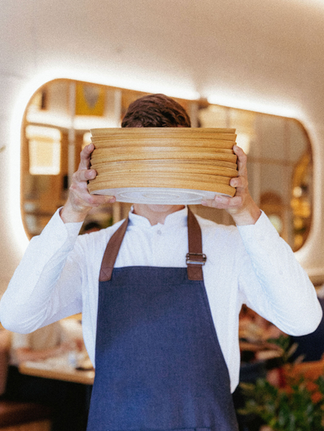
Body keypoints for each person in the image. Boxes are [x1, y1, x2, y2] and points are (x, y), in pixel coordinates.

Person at [0, 94, 321, 431]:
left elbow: (303, 319)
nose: (156, 173)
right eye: (144, 156)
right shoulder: (91, 251)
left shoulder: (230, 246)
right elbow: (17, 316)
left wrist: (246, 212)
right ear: (123, 158)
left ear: (188, 159)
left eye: (168, 156)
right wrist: (73, 210)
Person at [5, 321, 89, 431]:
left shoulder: (54, 322)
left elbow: (68, 345)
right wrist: (57, 350)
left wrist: (74, 344)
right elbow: (22, 356)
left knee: (80, 390)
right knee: (67, 393)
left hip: (44, 375)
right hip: (19, 379)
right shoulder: (24, 323)